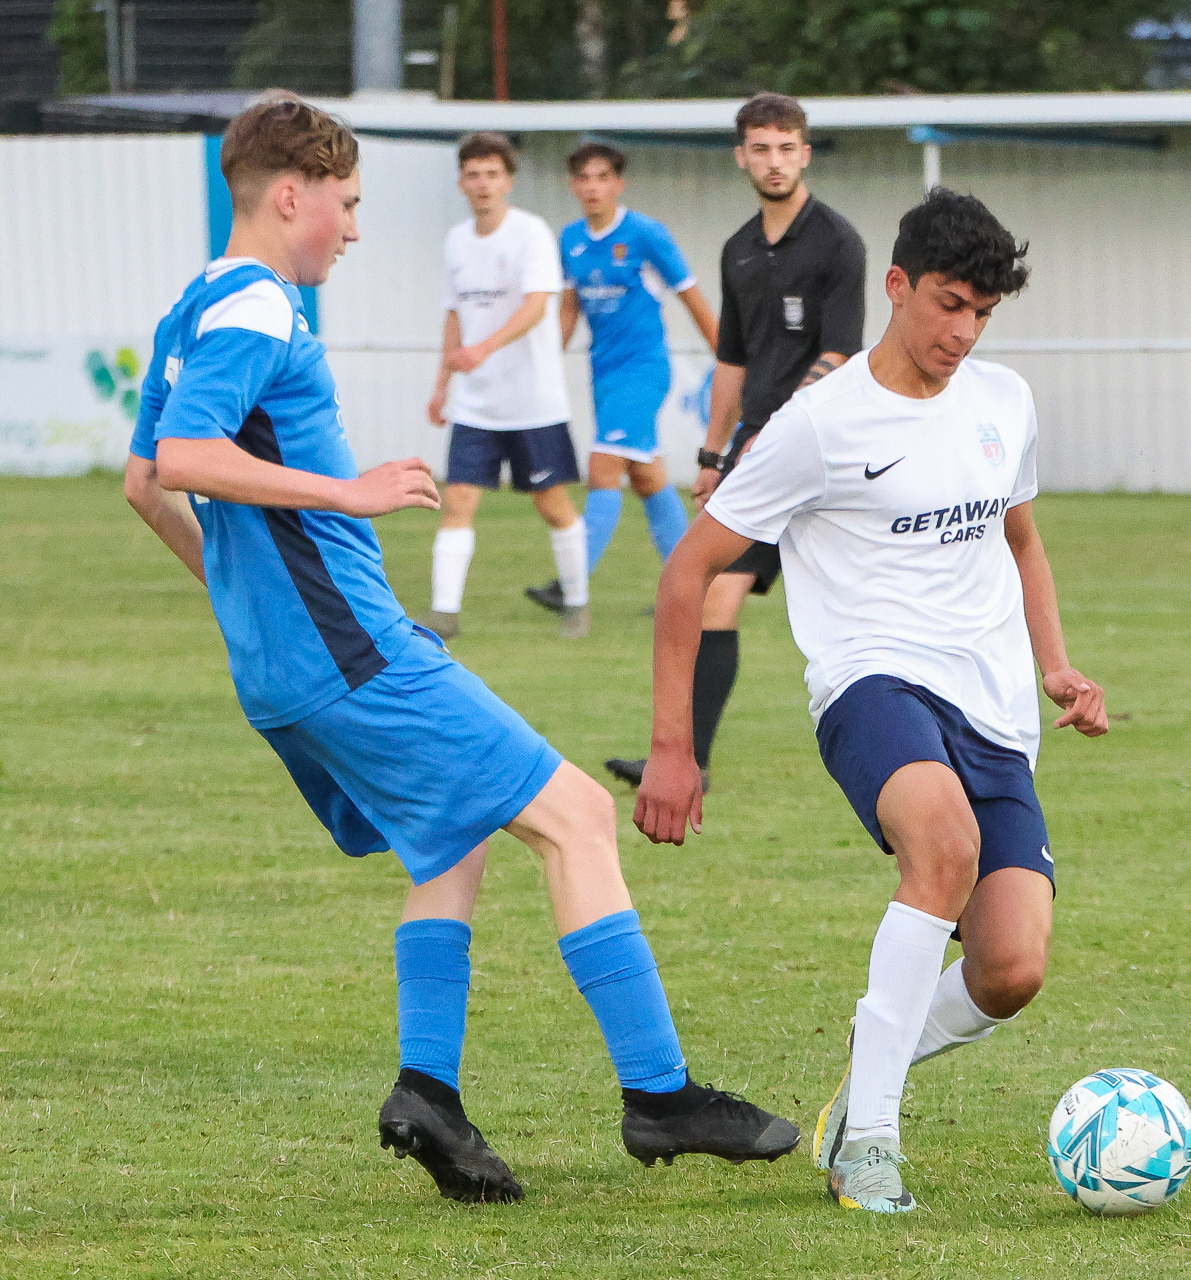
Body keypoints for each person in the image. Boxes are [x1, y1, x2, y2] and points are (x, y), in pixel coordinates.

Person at [120, 94, 799, 1207]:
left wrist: (250, 609)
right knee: (579, 815)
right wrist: (348, 492)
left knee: (452, 837)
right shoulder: (256, 303)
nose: (352, 229)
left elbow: (143, 482)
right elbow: (188, 456)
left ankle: (428, 1091)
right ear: (289, 194)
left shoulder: (192, 302)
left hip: (289, 669)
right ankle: (660, 1092)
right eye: (345, 204)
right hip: (354, 653)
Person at [632, 189, 1108, 1214]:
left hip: (993, 707)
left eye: (983, 312)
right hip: (871, 681)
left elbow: (1021, 541)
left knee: (1011, 966)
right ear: (896, 285)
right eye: (948, 304)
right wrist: (673, 748)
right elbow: (688, 570)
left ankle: (874, 1057)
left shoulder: (1004, 401)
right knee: (941, 846)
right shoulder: (818, 425)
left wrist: (1057, 666)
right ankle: (871, 1148)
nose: (963, 332)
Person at [604, 92, 865, 792]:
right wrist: (713, 454)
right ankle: (685, 760)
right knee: (713, 592)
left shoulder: (838, 243)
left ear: (805, 154)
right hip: (755, 450)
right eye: (761, 149)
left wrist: (775, 437)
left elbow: (841, 352)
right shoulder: (738, 250)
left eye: (786, 148)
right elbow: (732, 362)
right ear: (741, 157)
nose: (774, 161)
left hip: (825, 451)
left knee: (865, 596)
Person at [526, 142, 718, 610]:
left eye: (602, 177)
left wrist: (731, 362)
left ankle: (570, 585)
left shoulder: (646, 234)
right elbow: (569, 308)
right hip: (604, 374)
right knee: (649, 479)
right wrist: (544, 362)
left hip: (644, 370)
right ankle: (692, 588)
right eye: (583, 179)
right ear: (573, 186)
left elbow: (692, 298)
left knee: (603, 468)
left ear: (618, 184)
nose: (592, 187)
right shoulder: (571, 238)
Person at [418, 132, 590, 641]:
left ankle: (577, 603)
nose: (483, 184)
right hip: (476, 404)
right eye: (473, 174)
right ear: (461, 183)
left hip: (533, 402)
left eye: (492, 174)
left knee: (551, 504)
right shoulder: (456, 240)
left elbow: (537, 306)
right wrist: (442, 383)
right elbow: (454, 314)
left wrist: (484, 349)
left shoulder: (531, 233)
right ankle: (444, 614)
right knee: (457, 501)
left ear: (508, 181)